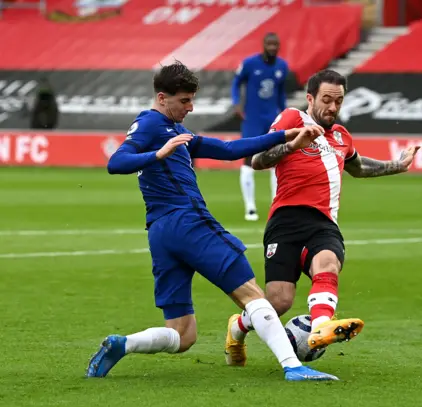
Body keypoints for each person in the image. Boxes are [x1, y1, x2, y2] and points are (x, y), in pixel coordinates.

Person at [85, 60, 338, 381]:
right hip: (187, 222)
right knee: (251, 294)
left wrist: (287, 137)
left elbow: (230, 149)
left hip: (160, 232)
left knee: (182, 334)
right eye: (184, 101)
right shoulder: (152, 126)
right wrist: (158, 154)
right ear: (162, 98)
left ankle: (123, 344)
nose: (190, 107)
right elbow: (116, 162)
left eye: (192, 100)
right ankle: (294, 366)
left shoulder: (176, 130)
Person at [223, 69, 420, 366]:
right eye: (326, 100)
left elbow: (358, 168)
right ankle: (237, 329)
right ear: (310, 98)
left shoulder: (342, 136)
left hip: (323, 222)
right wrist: (293, 144)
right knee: (278, 302)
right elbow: (258, 159)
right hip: (285, 220)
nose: (332, 107)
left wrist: (397, 165)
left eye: (338, 101)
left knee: (327, 262)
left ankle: (319, 330)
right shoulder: (292, 119)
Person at [231, 32, 288, 221]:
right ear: (263, 45)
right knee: (248, 161)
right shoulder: (249, 64)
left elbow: (281, 93)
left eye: (275, 44)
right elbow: (236, 82)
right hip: (253, 119)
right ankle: (250, 207)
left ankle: (276, 204)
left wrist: (285, 112)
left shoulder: (282, 66)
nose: (272, 47)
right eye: (269, 44)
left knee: (276, 161)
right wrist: (237, 102)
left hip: (272, 119)